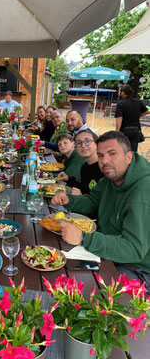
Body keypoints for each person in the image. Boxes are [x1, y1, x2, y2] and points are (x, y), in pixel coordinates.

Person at [51, 131, 150, 290]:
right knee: (57, 268)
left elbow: (133, 249)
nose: (105, 161)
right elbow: (94, 200)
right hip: (107, 246)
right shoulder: (111, 179)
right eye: (101, 155)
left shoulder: (142, 192)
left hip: (137, 268)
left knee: (83, 291)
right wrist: (70, 201)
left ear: (129, 156)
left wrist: (84, 238)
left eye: (112, 154)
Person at [58, 129, 102, 195]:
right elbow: (83, 187)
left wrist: (82, 196)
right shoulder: (85, 167)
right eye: (79, 143)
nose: (83, 145)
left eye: (87, 141)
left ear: (96, 144)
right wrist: (68, 179)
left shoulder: (103, 168)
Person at [115, 84, 150, 152]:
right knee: (133, 152)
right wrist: (138, 115)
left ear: (123, 92)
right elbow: (147, 111)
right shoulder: (138, 101)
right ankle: (133, 162)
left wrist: (117, 131)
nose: (118, 93)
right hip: (136, 130)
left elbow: (119, 118)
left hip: (124, 130)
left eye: (119, 91)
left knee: (123, 151)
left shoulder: (121, 103)